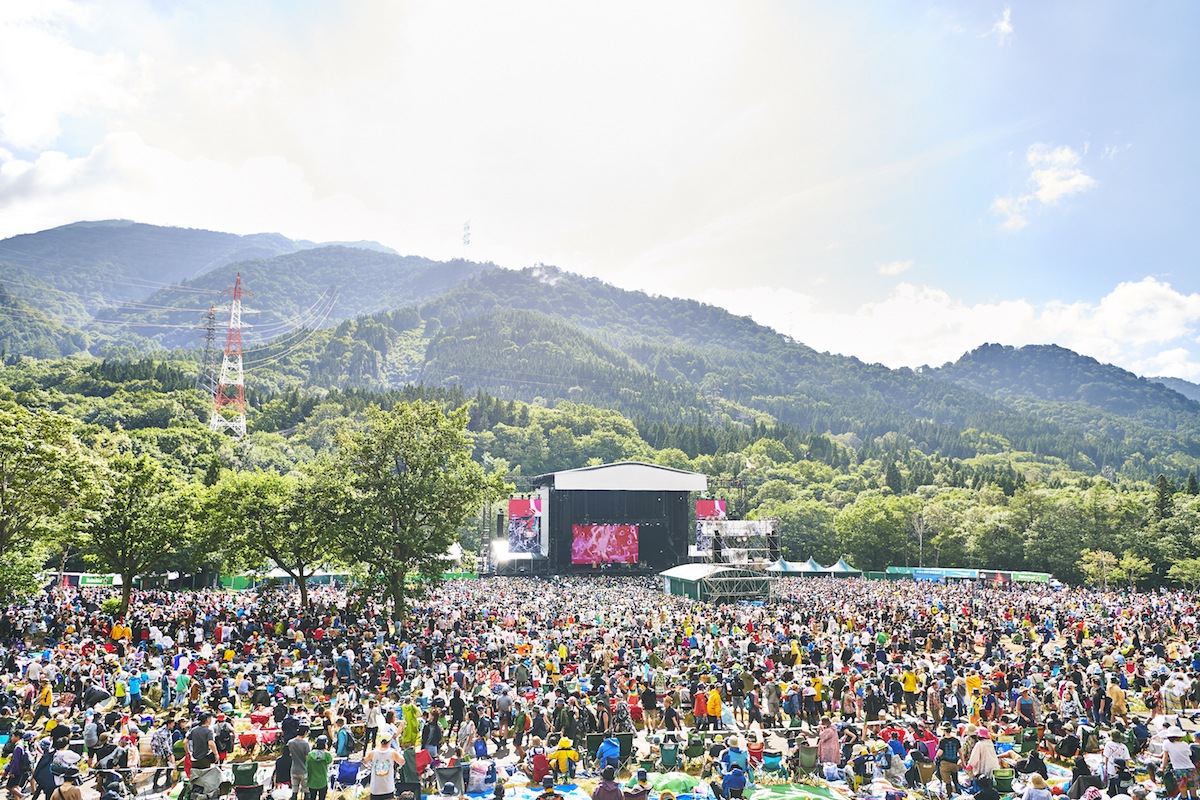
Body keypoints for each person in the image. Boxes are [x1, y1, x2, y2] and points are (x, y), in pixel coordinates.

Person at [1160, 727, 1196, 800]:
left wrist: (1162, 767)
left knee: (1183, 790)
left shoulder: (1166, 743)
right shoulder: (1185, 744)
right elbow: (1189, 755)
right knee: (1193, 791)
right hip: (1191, 768)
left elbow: (1165, 757)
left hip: (1179, 769)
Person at [288, 725, 312, 800]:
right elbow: (307, 758)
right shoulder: (305, 743)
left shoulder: (290, 742)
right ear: (305, 732)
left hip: (294, 769)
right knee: (306, 791)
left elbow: (290, 754)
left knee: (294, 790)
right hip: (303, 769)